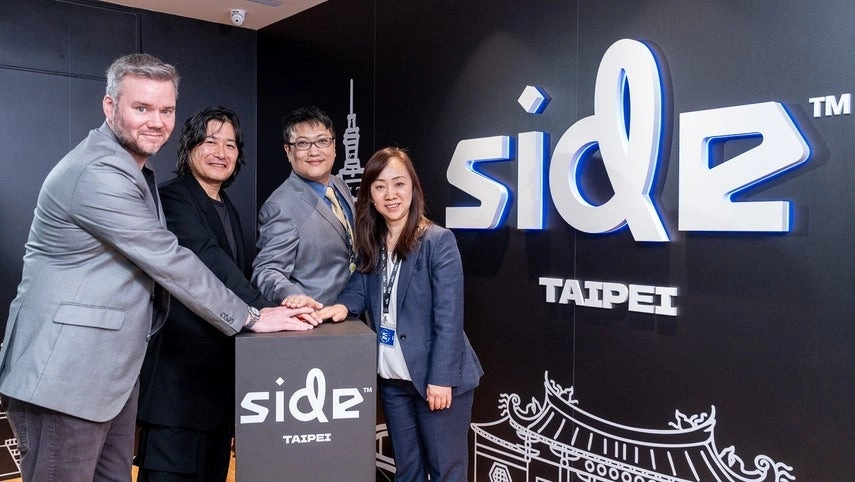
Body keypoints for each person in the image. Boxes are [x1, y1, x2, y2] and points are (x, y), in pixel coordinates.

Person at [0, 54, 319, 482]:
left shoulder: (134, 171)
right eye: (142, 108)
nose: (156, 121)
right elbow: (169, 259)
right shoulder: (98, 171)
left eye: (166, 110)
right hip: (65, 377)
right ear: (109, 106)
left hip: (110, 381)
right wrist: (252, 316)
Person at [316, 147, 484, 481]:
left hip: (434, 379)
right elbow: (360, 286)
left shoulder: (437, 241)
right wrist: (343, 306)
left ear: (413, 188)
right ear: (370, 195)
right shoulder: (373, 241)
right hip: (393, 379)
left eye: (399, 184)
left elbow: (449, 319)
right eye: (379, 186)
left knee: (446, 472)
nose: (390, 195)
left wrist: (441, 379)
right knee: (407, 471)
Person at [135, 106, 272, 481]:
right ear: (190, 146)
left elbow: (237, 274)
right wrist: (265, 312)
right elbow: (210, 261)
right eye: (211, 141)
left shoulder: (227, 206)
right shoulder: (172, 199)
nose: (221, 153)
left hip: (217, 391)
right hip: (177, 392)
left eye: (230, 145)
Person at [252, 106, 356, 307]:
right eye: (302, 144)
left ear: (334, 146)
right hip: (314, 317)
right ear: (288, 151)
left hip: (350, 311)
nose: (314, 151)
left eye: (322, 141)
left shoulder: (340, 185)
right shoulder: (279, 207)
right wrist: (294, 297)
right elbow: (267, 271)